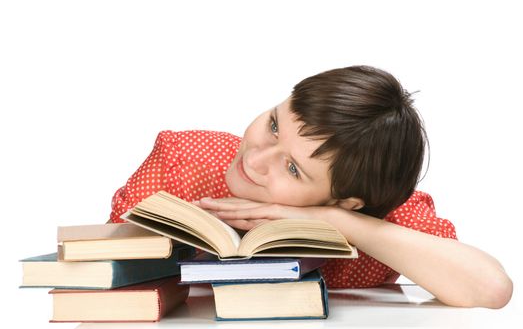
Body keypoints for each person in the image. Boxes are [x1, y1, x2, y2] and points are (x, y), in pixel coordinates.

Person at [108, 66, 512, 308]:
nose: (254, 160)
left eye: (293, 169)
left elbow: (491, 288)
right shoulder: (185, 161)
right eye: (273, 125)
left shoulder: (389, 218)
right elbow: (106, 280)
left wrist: (334, 221)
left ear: (349, 201)